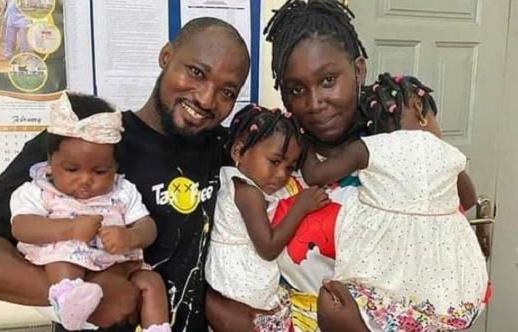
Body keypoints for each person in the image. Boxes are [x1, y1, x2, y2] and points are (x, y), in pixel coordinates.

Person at [0, 17, 250, 332]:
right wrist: (85, 297)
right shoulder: (88, 143)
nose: (206, 98)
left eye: (227, 91)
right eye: (196, 72)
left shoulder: (230, 153)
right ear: (166, 56)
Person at [206, 1, 489, 332]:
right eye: (297, 89)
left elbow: (446, 274)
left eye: (328, 80)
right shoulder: (272, 163)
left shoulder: (402, 157)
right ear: (283, 93)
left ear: (358, 70)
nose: (314, 103)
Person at [302, 73, 489, 331]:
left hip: (385, 271)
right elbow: (468, 199)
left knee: (353, 301)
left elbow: (314, 175)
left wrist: (305, 141)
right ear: (420, 110)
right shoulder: (446, 152)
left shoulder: (367, 148)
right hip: (444, 278)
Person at [10, 92, 170, 331]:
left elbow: (148, 226)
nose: (85, 180)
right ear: (50, 161)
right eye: (72, 169)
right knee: (62, 258)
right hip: (75, 272)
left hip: (121, 267)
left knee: (151, 281)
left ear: (115, 166)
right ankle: (68, 301)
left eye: (100, 171)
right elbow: (22, 227)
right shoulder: (39, 192)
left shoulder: (123, 190)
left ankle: (157, 327)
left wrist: (130, 236)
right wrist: (70, 229)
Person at [205, 104, 330, 331]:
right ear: (238, 153)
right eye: (274, 161)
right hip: (241, 288)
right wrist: (301, 207)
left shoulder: (243, 180)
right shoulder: (248, 192)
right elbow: (268, 247)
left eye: (290, 167)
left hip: (232, 288)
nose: (282, 174)